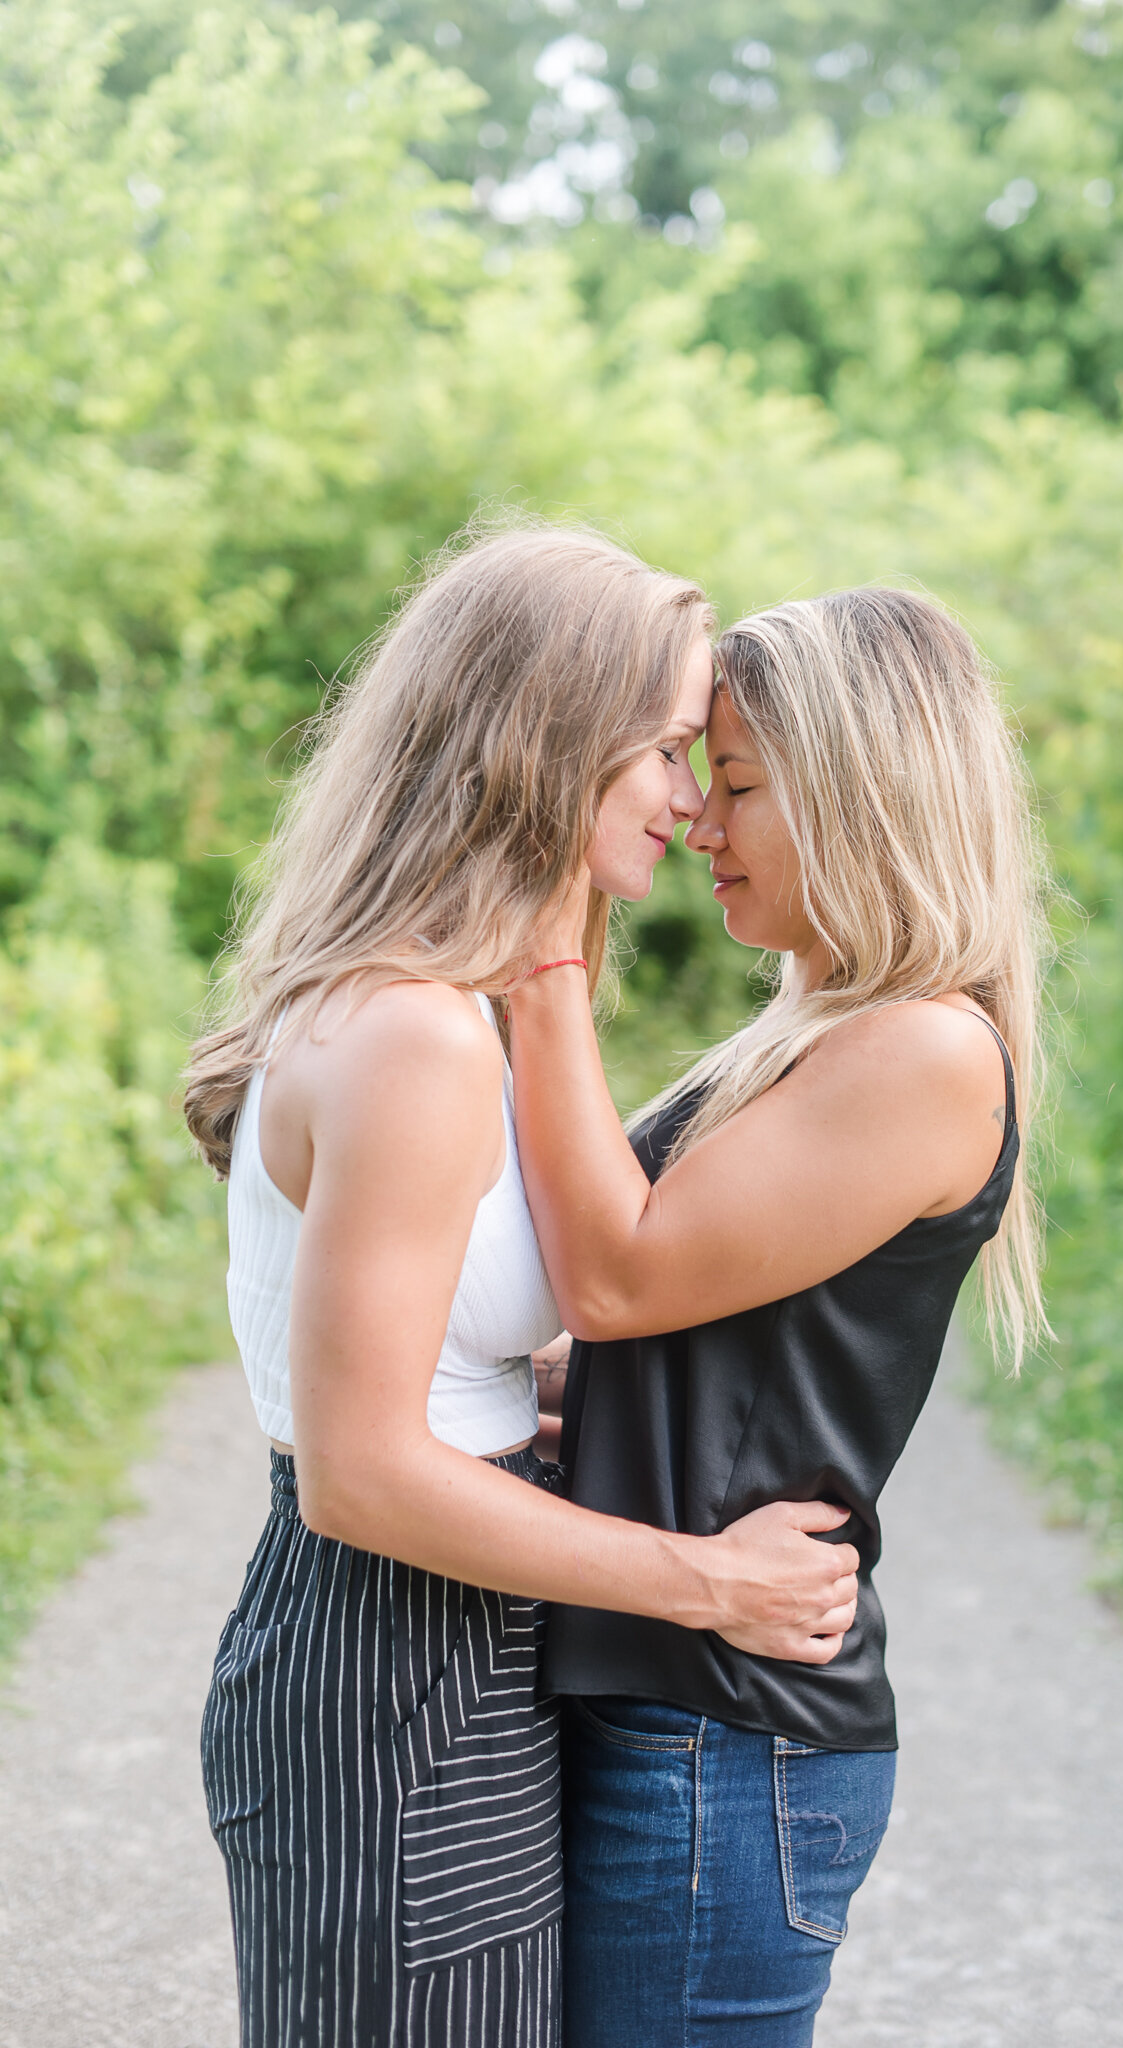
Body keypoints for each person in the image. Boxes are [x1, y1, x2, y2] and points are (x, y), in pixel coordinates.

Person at [181, 524, 861, 2048]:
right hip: (390, 1654)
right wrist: (714, 1582)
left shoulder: (444, 1005)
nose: (692, 803)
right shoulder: (416, 1033)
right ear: (554, 741)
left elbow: (436, 1363)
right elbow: (362, 1473)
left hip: (450, 1641)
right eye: (673, 750)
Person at [506, 584, 1048, 2047]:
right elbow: (664, 1321)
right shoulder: (811, 1032)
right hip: (673, 1703)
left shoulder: (926, 1050)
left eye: (738, 785)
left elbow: (615, 1270)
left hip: (721, 1736)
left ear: (867, 797)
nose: (697, 821)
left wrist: (550, 945)